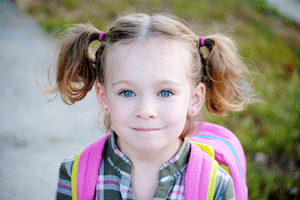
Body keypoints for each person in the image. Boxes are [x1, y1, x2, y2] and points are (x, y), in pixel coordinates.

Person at [54, 13, 254, 200]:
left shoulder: (214, 185)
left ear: (194, 99)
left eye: (165, 93)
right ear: (104, 97)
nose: (145, 111)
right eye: (127, 92)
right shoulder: (76, 176)